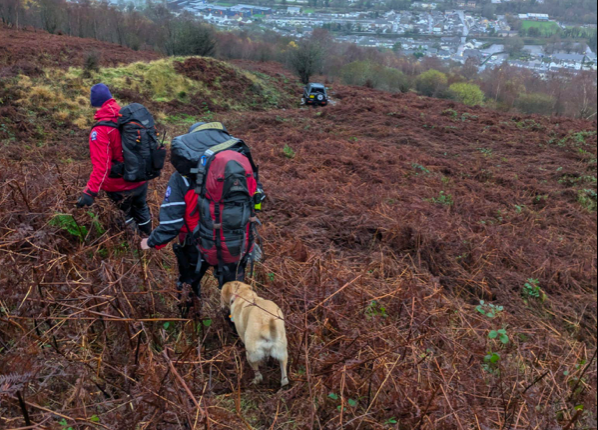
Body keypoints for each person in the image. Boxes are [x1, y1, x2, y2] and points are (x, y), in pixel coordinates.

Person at [140, 122, 264, 303]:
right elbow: (257, 202)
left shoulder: (182, 176)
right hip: (236, 242)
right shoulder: (241, 169)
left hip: (194, 246)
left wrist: (151, 242)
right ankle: (232, 325)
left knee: (188, 286)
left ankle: (191, 319)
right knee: (235, 296)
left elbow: (171, 223)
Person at [77, 83, 152, 236]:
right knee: (141, 207)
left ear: (95, 103)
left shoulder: (101, 130)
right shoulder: (127, 117)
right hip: (140, 179)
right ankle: (149, 241)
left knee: (124, 216)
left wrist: (90, 192)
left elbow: (101, 166)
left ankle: (135, 247)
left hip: (119, 186)